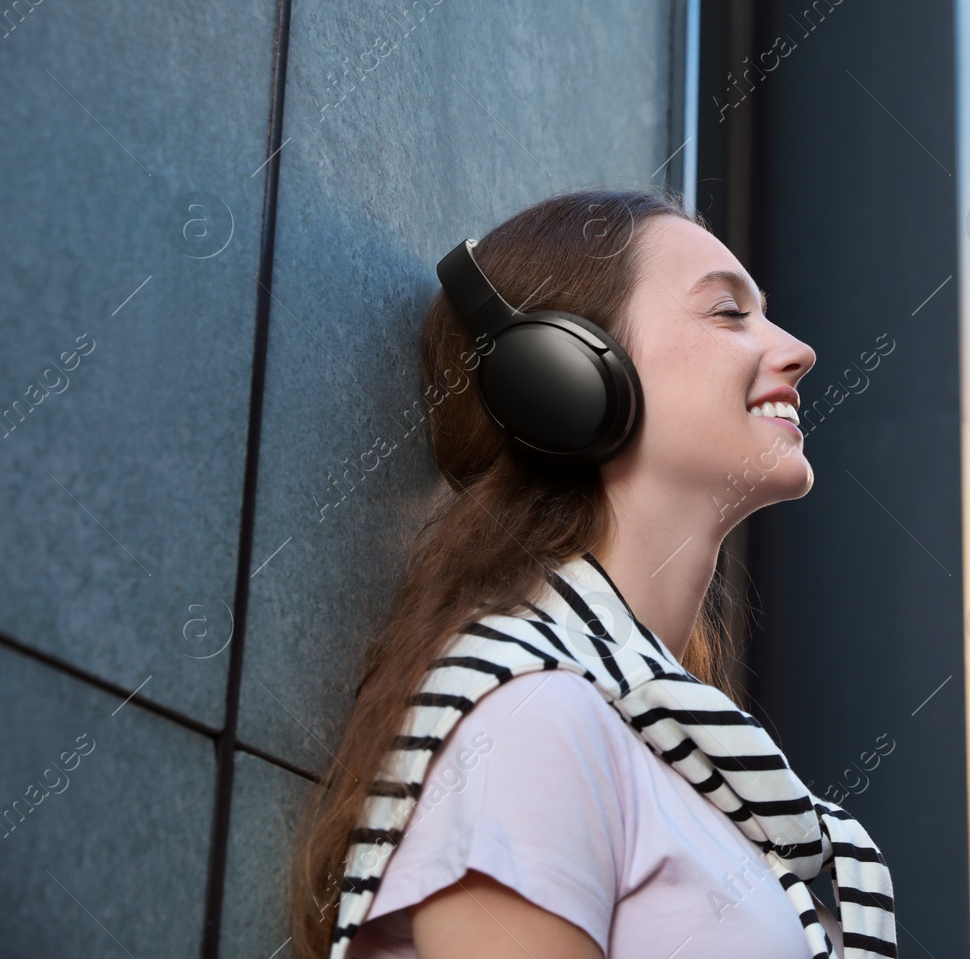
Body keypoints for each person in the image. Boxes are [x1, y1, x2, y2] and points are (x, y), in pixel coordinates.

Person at [289, 190, 891, 959]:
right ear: (563, 373)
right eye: (728, 313)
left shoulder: (670, 755)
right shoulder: (532, 715)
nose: (798, 349)